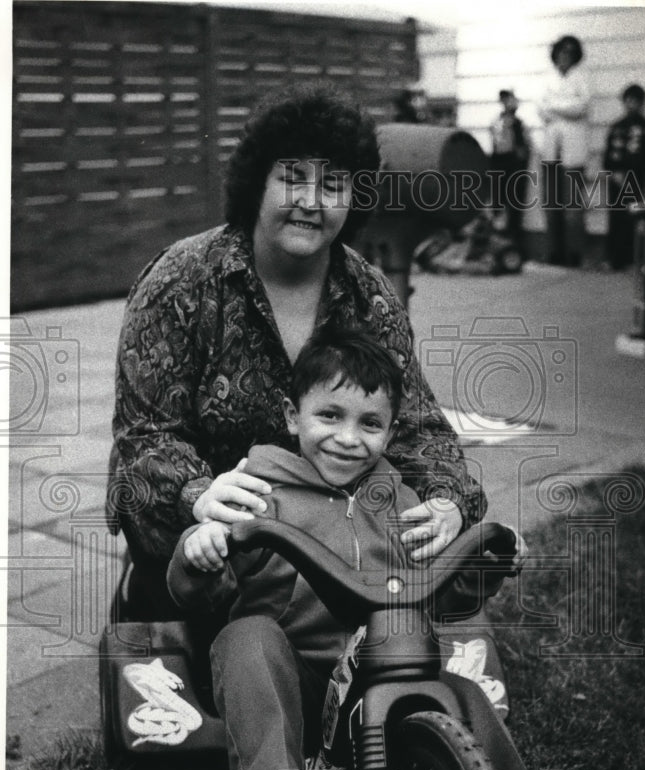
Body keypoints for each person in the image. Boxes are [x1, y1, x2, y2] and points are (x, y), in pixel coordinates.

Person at [166, 326, 611, 770]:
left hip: (379, 675)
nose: (348, 439)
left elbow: (444, 599)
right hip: (291, 676)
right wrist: (200, 552)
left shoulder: (400, 503)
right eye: (329, 415)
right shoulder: (258, 492)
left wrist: (488, 565)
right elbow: (201, 596)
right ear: (291, 416)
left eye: (370, 424)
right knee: (248, 636)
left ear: (391, 431)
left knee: (461, 692)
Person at [105, 84, 485, 630]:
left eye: (333, 185)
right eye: (292, 179)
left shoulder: (369, 296)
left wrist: (449, 500)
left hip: (336, 549)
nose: (312, 201)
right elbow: (144, 437)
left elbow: (417, 426)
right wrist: (198, 494)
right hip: (215, 544)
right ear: (257, 183)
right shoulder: (180, 281)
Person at [538, 35, 590, 267]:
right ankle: (554, 253)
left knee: (573, 208)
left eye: (568, 54)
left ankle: (574, 254)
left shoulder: (583, 78)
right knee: (551, 206)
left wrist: (555, 106)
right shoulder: (547, 79)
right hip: (551, 154)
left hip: (573, 156)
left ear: (575, 56)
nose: (563, 58)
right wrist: (564, 107)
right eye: (560, 53)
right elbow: (541, 107)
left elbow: (582, 107)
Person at [603, 84, 645, 270]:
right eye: (628, 100)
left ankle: (632, 258)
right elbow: (608, 153)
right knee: (615, 217)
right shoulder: (617, 126)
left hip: (634, 179)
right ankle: (614, 259)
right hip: (615, 180)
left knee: (632, 217)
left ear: (641, 103)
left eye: (635, 101)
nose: (631, 104)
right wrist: (613, 172)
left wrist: (634, 174)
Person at [490, 89, 530, 257]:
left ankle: (515, 245)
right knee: (498, 205)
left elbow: (523, 149)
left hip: (515, 168)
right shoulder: (497, 122)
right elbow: (496, 145)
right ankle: (498, 242)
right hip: (500, 166)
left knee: (515, 208)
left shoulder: (519, 124)